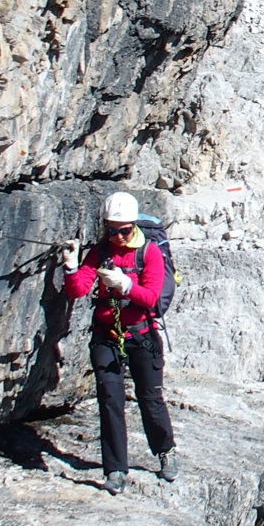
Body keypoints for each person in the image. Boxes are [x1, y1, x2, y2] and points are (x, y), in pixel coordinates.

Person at [62, 191, 176, 494]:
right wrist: (72, 267)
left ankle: (165, 450)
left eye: (124, 230)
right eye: (111, 230)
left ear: (134, 226)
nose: (118, 236)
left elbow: (152, 297)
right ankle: (114, 470)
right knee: (110, 400)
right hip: (107, 336)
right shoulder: (100, 252)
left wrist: (125, 285)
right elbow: (78, 290)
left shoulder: (148, 253)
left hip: (142, 334)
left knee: (150, 398)